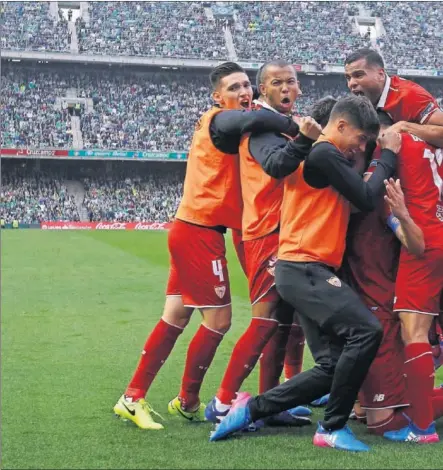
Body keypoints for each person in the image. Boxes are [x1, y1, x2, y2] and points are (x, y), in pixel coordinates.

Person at [113, 62, 301, 430]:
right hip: (200, 231)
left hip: (194, 229)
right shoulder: (217, 120)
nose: (243, 93)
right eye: (234, 88)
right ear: (217, 96)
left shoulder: (233, 126)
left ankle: (134, 396)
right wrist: (294, 125)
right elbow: (243, 122)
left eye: (247, 85)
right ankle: (191, 400)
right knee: (219, 320)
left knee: (175, 317)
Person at [209, 95, 401, 452]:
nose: (362, 146)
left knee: (330, 366)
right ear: (340, 126)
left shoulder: (324, 153)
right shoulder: (325, 151)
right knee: (366, 332)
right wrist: (387, 157)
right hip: (305, 267)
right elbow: (363, 196)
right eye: (360, 139)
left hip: (303, 270)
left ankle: (251, 409)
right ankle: (331, 427)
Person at [205, 60, 321, 426]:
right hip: (267, 233)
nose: (287, 88)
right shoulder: (260, 129)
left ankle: (271, 405)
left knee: (284, 322)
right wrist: (304, 139)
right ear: (263, 90)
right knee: (266, 319)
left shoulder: (284, 125)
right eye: (277, 82)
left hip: (290, 233)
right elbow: (276, 165)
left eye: (292, 81)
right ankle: (222, 401)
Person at [378, 114, 443, 443]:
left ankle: (422, 427)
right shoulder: (429, 143)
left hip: (424, 242)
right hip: (438, 232)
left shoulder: (394, 146)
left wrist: (397, 216)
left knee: (414, 331)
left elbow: (413, 242)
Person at [344, 48, 443, 148]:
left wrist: (404, 127)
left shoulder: (410, 95)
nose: (351, 83)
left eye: (358, 75)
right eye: (348, 78)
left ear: (381, 75)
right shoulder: (361, 101)